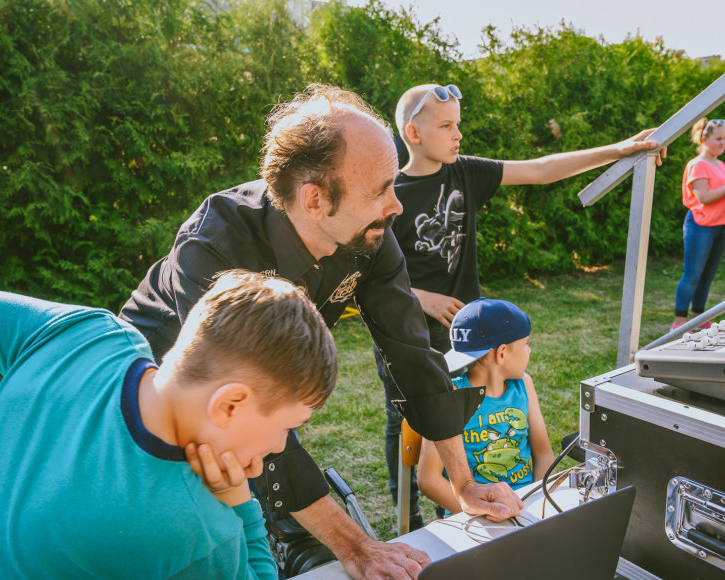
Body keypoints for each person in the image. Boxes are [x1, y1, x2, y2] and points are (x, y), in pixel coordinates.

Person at [118, 84, 522, 580]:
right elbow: (244, 405)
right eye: (380, 191)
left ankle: (290, 535)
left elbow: (413, 354)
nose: (396, 206)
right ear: (315, 199)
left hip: (253, 409)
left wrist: (464, 483)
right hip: (154, 406)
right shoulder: (217, 245)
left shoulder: (370, 232)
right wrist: (355, 543)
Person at [0, 271, 336, 579]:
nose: (282, 446)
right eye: (288, 425)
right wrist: (240, 506)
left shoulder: (86, 335)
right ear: (229, 404)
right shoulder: (194, 533)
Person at [377, 83, 663, 525]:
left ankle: (463, 507)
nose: (459, 135)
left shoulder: (464, 172)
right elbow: (365, 270)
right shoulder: (388, 193)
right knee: (412, 426)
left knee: (466, 421)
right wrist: (423, 298)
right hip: (406, 336)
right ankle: (410, 522)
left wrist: (619, 150)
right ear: (413, 133)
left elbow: (542, 169)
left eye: (459, 124)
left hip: (471, 338)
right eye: (447, 125)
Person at [417, 298, 554, 516]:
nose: (528, 351)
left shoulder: (524, 385)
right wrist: (486, 514)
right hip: (474, 519)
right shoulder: (450, 395)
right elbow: (428, 480)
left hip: (526, 507)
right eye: (525, 343)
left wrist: (537, 503)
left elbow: (544, 453)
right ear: (502, 353)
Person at [671, 118, 725, 330]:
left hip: (720, 226)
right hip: (701, 226)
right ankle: (679, 321)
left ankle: (699, 317)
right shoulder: (697, 165)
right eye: (718, 138)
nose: (723, 143)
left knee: (708, 276)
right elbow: (704, 197)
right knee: (692, 275)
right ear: (704, 139)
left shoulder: (720, 163)